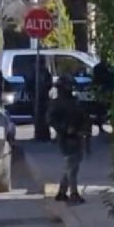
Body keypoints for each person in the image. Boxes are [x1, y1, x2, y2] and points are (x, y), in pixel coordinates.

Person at [47, 74, 93, 204]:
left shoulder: (74, 101)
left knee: (72, 165)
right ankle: (73, 193)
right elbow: (51, 120)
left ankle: (62, 192)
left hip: (77, 135)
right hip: (66, 137)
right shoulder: (57, 103)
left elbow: (84, 117)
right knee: (72, 166)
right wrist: (65, 128)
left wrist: (85, 130)